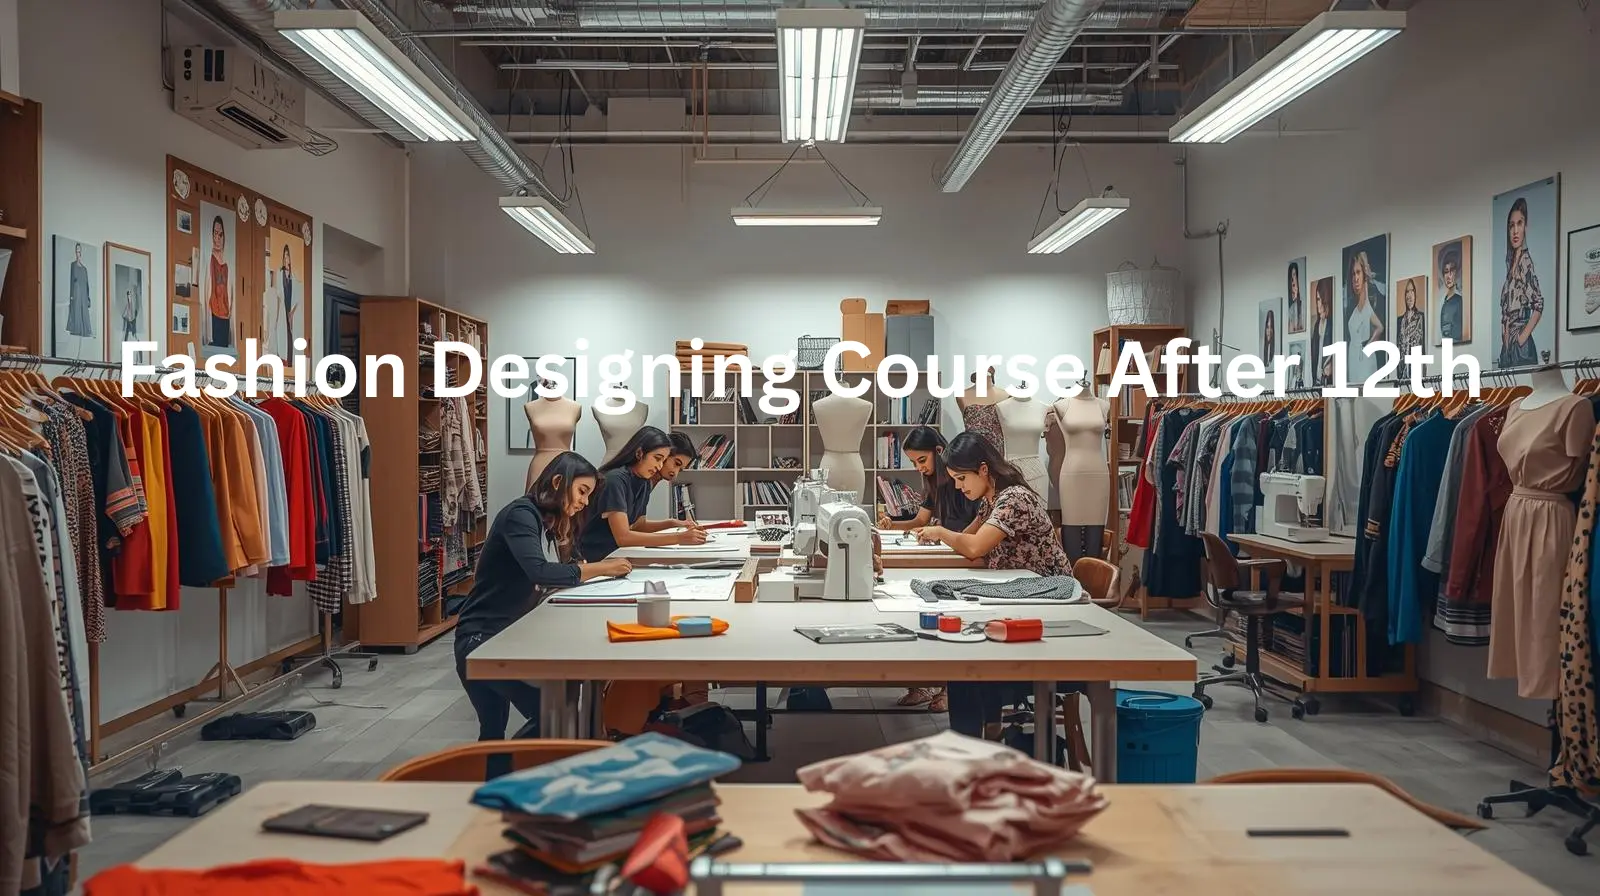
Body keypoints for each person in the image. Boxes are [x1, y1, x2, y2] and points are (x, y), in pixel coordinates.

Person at [454, 452, 632, 749]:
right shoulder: (521, 515)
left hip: (499, 637)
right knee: (555, 718)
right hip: (480, 640)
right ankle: (513, 777)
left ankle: (497, 786)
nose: (585, 502)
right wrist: (603, 567)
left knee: (494, 735)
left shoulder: (544, 520)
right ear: (559, 482)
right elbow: (541, 572)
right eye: (582, 492)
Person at [910, 433, 1073, 738]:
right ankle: (979, 737)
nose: (959, 486)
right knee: (960, 662)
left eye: (961, 478)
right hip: (1018, 598)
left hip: (1044, 601)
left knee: (963, 668)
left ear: (983, 470)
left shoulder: (1014, 499)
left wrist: (941, 532)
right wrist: (941, 535)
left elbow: (973, 548)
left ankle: (969, 744)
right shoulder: (992, 500)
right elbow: (970, 543)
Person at [874, 426, 981, 712]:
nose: (920, 468)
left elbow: (975, 530)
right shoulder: (934, 481)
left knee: (944, 610)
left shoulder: (964, 481)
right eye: (914, 464)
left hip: (965, 554)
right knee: (917, 605)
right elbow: (921, 519)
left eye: (922, 461)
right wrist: (892, 525)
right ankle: (921, 683)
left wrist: (943, 534)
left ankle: (947, 687)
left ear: (938, 451)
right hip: (951, 549)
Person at [577, 426, 707, 561]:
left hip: (618, 555)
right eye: (657, 458)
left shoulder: (643, 482)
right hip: (595, 557)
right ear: (639, 453)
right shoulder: (615, 480)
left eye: (662, 460)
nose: (659, 466)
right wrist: (678, 538)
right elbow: (623, 537)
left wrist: (673, 523)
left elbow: (639, 526)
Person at [1499, 197, 1543, 366]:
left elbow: (1538, 304)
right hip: (1508, 349)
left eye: (1519, 224)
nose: (1515, 231)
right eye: (1511, 225)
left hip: (1521, 349)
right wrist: (1505, 336)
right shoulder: (1510, 267)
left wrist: (1522, 337)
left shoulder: (1525, 262)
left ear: (1526, 227)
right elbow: (1505, 312)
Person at [1345, 249, 1385, 380]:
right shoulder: (1352, 306)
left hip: (1364, 360)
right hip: (1353, 358)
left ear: (1363, 274)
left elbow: (1380, 327)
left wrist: (1368, 346)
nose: (1355, 278)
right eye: (1353, 274)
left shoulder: (1369, 304)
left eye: (1358, 273)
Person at [206, 215, 232, 349]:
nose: (217, 238)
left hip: (226, 312)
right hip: (214, 311)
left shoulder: (228, 261)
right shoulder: (209, 259)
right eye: (215, 234)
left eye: (220, 234)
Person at [1438, 244, 1465, 343]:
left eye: (1452, 271)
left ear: (1457, 272)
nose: (1448, 276)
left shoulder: (1459, 300)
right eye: (1446, 271)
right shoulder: (1441, 300)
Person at [1310, 278, 1334, 386]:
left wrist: (1331, 364)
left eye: (1321, 299)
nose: (1319, 305)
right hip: (1317, 382)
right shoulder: (1316, 326)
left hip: (1328, 381)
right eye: (1317, 299)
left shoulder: (1332, 325)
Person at [65, 242, 93, 337]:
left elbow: (87, 284)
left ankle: (85, 331)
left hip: (84, 294)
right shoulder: (73, 265)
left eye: (79, 251)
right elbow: (71, 281)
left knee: (84, 312)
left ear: (81, 252)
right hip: (76, 292)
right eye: (76, 251)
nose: (78, 253)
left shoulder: (85, 269)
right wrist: (71, 296)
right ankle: (76, 329)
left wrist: (88, 298)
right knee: (76, 310)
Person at [1396, 278, 1425, 358]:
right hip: (1402, 367)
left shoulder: (1421, 317)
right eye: (1407, 292)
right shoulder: (1399, 321)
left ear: (1415, 294)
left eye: (1412, 291)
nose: (1410, 295)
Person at [1286, 262, 1304, 334]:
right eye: (1291, 279)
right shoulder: (1290, 308)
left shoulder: (1302, 305)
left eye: (1294, 276)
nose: (1293, 282)